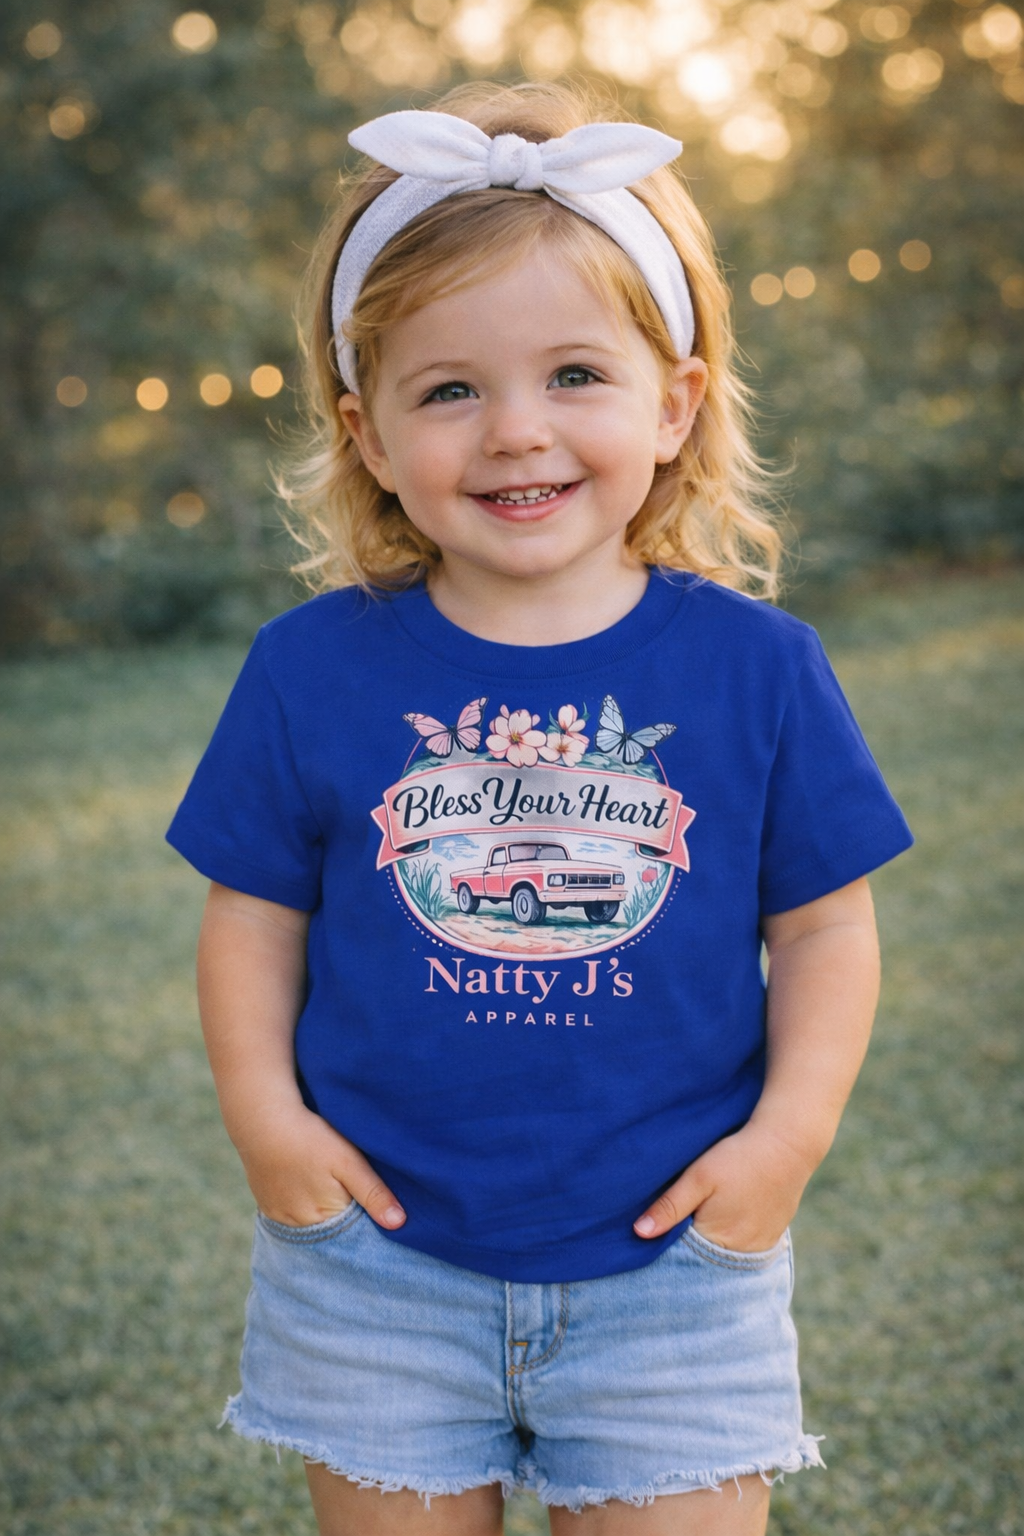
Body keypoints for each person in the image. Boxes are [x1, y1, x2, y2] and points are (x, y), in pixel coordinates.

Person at [167, 80, 913, 1536]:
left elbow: (826, 927)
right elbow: (252, 917)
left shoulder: (759, 669)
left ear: (675, 399)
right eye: (449, 389)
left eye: (576, 373)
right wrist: (267, 1123)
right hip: (377, 1263)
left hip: (675, 1273)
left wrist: (789, 1144)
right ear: (369, 433)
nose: (517, 431)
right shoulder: (308, 670)